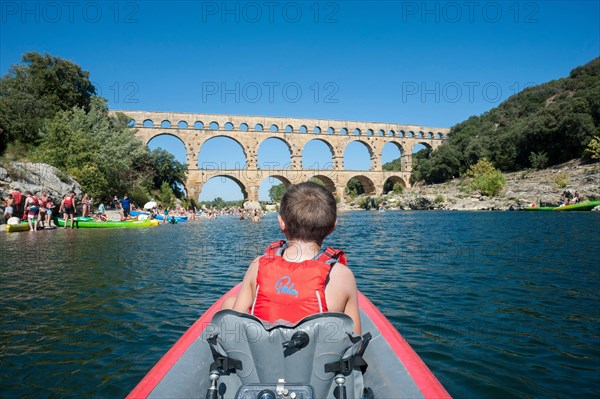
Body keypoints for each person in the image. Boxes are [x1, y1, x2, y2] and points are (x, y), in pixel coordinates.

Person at [223, 182, 361, 335]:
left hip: (262, 356)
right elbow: (355, 338)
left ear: (281, 222)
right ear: (333, 227)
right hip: (318, 358)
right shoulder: (342, 275)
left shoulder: (258, 264)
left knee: (229, 303)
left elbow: (234, 328)